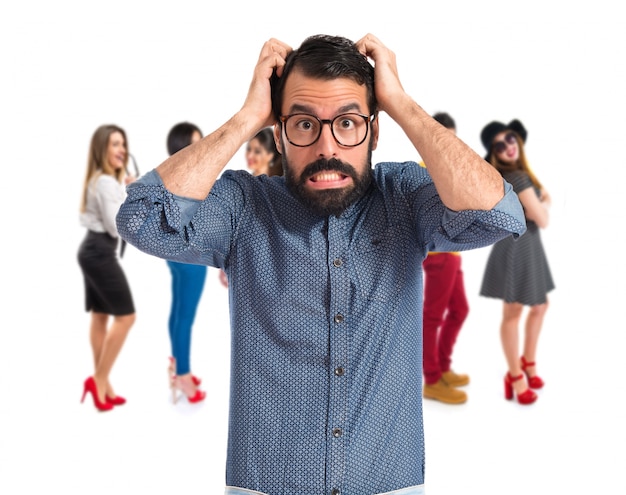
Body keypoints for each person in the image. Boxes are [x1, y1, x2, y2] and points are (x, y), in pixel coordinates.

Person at [117, 34, 526, 495]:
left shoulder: (406, 198)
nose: (326, 147)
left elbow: (500, 215)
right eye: (305, 124)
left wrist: (401, 103)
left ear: (373, 129)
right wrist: (246, 116)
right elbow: (142, 219)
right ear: (279, 132)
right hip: (266, 485)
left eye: (348, 123)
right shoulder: (244, 205)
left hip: (389, 482)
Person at [479, 119, 555, 406]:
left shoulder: (518, 176)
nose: (508, 146)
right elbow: (543, 220)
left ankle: (528, 363)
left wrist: (540, 198)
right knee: (513, 314)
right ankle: (515, 375)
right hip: (517, 248)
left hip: (526, 246)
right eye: (499, 144)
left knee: (539, 305)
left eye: (510, 139)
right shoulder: (519, 179)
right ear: (494, 153)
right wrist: (544, 201)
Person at [78, 124, 136, 412]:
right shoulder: (105, 183)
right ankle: (98, 379)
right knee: (126, 317)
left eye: (123, 144)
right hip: (100, 252)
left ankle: (104, 384)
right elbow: (117, 229)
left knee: (101, 315)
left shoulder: (102, 181)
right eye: (115, 144)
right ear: (102, 149)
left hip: (92, 250)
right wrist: (133, 193)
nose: (121, 150)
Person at [419, 112, 470, 405]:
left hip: (454, 254)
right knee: (433, 315)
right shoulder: (424, 171)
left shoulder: (451, 170)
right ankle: (433, 378)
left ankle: (444, 367)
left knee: (459, 310)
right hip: (438, 254)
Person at [164, 122, 207, 404]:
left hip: (173, 251)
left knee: (178, 308)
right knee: (186, 315)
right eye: (195, 143)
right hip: (190, 254)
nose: (202, 147)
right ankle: (182, 375)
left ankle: (177, 362)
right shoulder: (191, 177)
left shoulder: (167, 173)